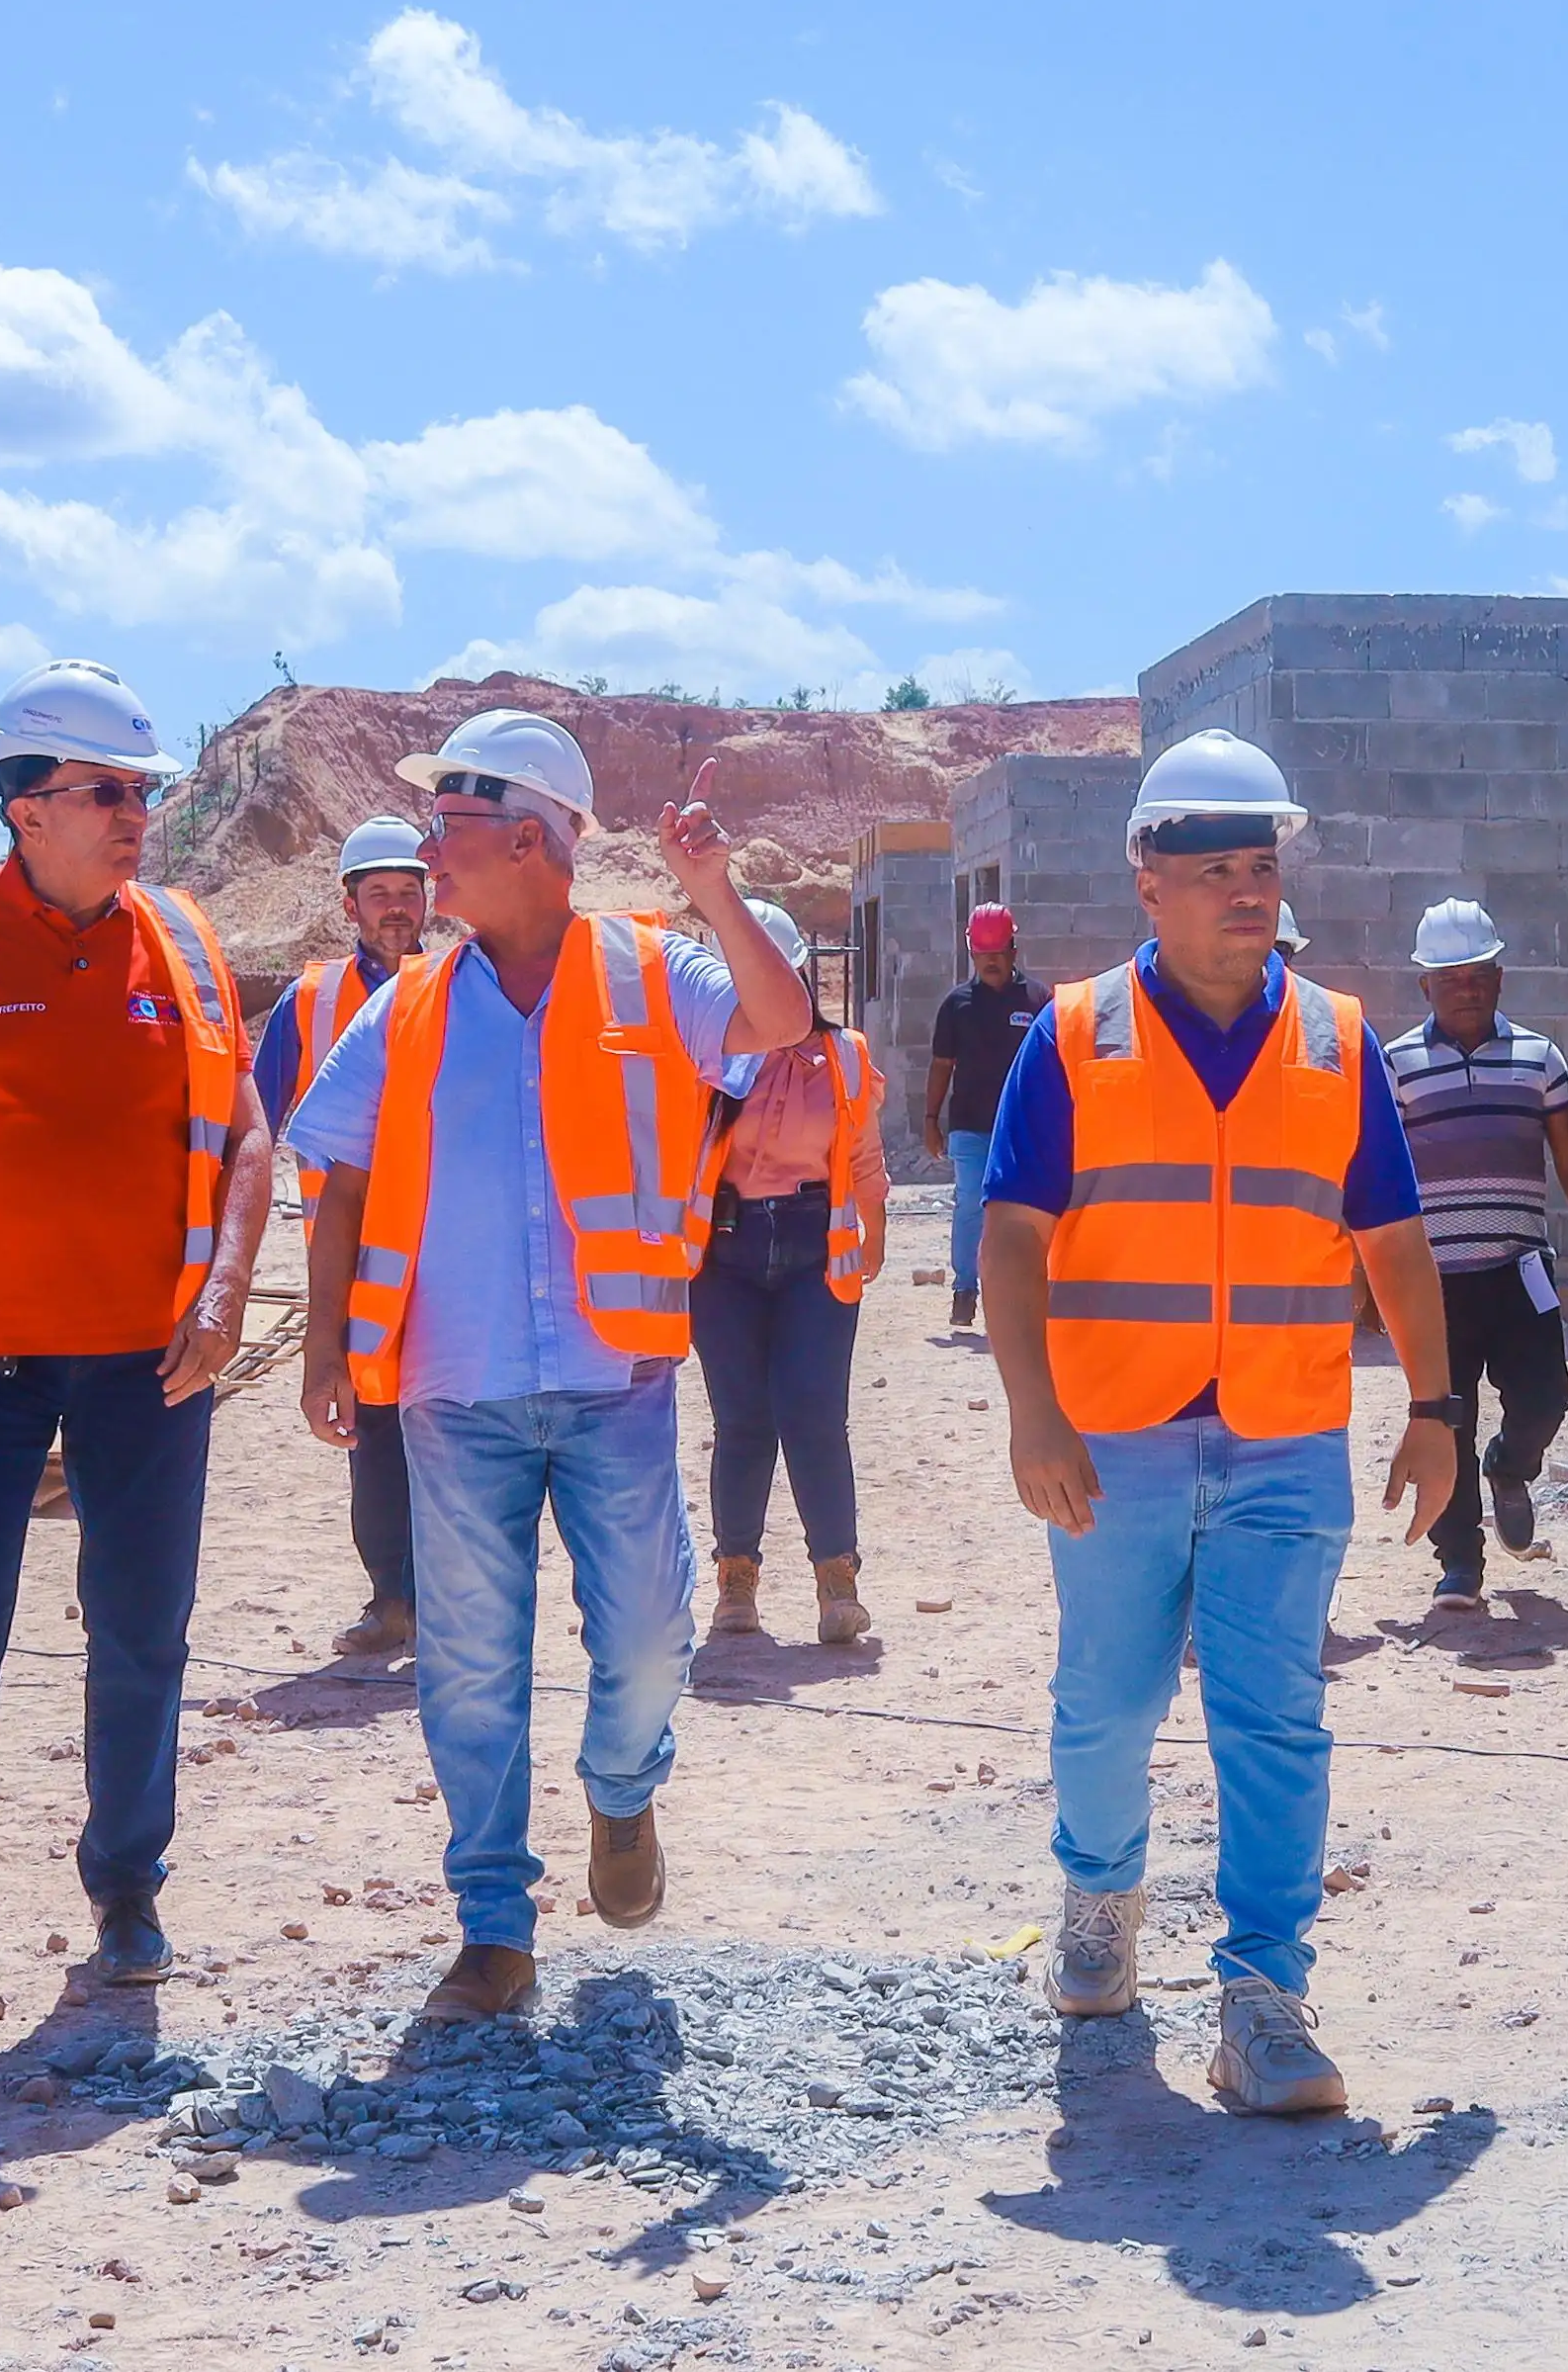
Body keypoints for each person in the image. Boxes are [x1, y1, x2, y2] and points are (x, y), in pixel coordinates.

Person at [288, 709, 816, 2023]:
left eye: (448, 827)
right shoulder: (407, 1006)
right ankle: (493, 1922)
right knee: (467, 1661)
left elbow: (780, 1018)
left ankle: (621, 1785)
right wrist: (323, 1340)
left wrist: (711, 886)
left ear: (530, 838)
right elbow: (339, 1180)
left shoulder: (654, 972)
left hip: (614, 1375)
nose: (425, 855)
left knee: (646, 1634)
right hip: (451, 1389)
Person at [978, 728, 1458, 2117]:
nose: (1247, 891)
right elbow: (1013, 1238)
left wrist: (1430, 1408)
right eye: (1215, 869)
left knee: (1275, 1717)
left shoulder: (1335, 1037)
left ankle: (1262, 1994)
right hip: (1112, 1433)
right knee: (1109, 1701)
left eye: (1262, 866)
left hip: (1283, 1431)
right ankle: (1100, 1899)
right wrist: (1034, 1413)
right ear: (1148, 879)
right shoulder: (1074, 1034)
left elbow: (1395, 1240)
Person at [0, 659, 270, 2029]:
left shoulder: (188, 938)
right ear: (26, 805)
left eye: (141, 789)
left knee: (141, 1628)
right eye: (103, 791)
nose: (133, 814)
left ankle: (127, 1892)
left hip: (155, 1358)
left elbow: (249, 1136)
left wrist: (224, 1296)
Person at [1382, 897, 1568, 1609]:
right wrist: (1368, 1277)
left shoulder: (1537, 1057)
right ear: (1423, 985)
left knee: (1546, 1393)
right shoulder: (1395, 1066)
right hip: (1435, 1282)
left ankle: (1510, 1463)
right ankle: (1458, 1560)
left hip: (1520, 1267)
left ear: (1499, 977)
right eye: (1451, 976)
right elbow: (1371, 1176)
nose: (1468, 987)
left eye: (1480, 973)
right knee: (1445, 1414)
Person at [251, 816, 434, 1659]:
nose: (396, 909)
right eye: (380, 895)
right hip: (353, 1252)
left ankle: (448, 1601)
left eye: (408, 892)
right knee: (373, 1425)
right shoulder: (312, 1002)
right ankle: (392, 1598)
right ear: (350, 903)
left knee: (457, 1421)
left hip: (443, 1243)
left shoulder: (459, 981)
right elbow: (253, 1121)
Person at [694, 897, 890, 1647]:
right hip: (725, 1252)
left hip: (815, 1249)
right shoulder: (705, 1059)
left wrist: (872, 1235)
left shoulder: (842, 1056)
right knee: (741, 1420)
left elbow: (864, 1156)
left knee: (812, 1413)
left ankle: (836, 1580)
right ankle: (735, 1578)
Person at [923, 905, 1048, 1334]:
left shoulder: (1038, 1001)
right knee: (971, 1205)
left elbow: (1054, 1065)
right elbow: (942, 1065)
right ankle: (964, 1289)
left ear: (1014, 949)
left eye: (997, 952)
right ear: (971, 954)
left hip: (1024, 1126)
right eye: (982, 954)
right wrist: (930, 1119)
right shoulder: (956, 1005)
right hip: (971, 1125)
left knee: (1027, 1209)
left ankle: (1023, 1294)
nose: (991, 961)